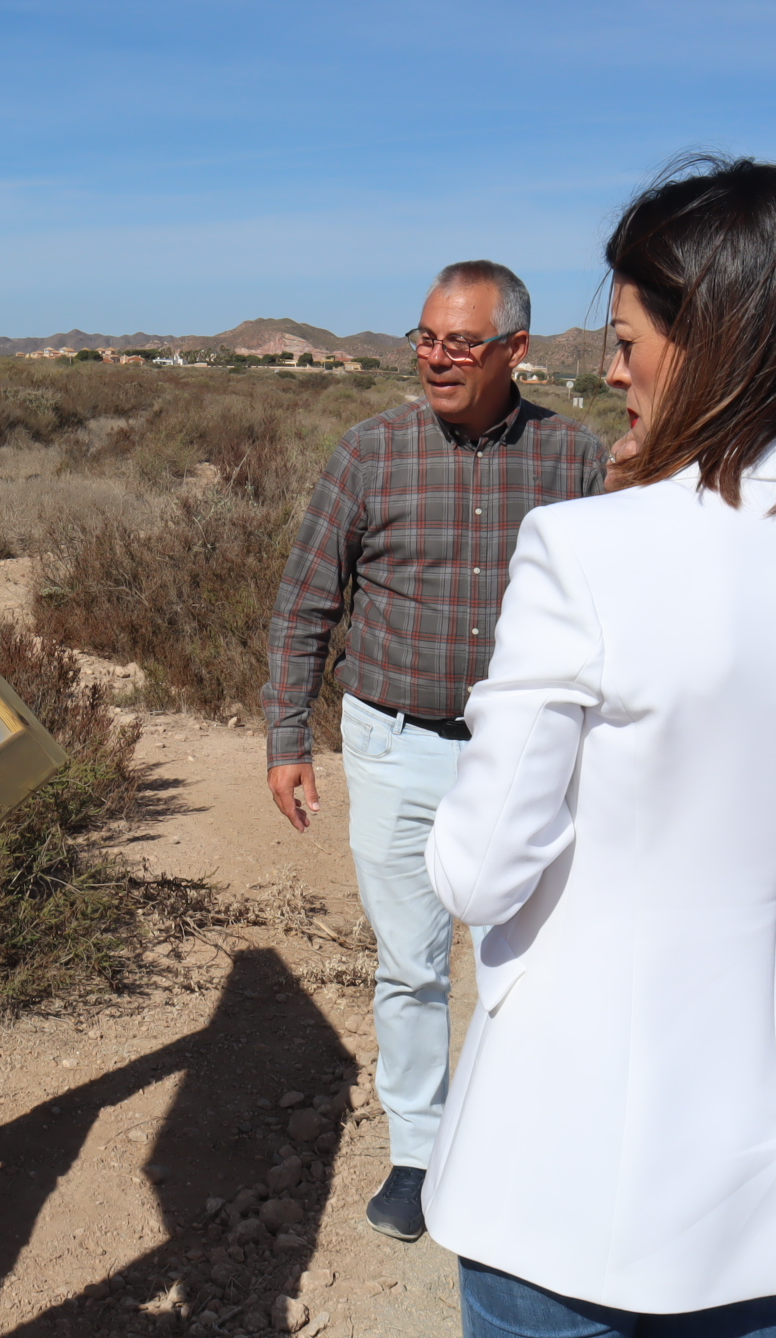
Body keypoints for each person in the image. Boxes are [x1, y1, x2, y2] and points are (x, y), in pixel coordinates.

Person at [422, 157, 776, 1336]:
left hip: (569, 1158)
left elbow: (479, 870)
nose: (611, 369)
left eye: (628, 339)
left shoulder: (590, 549)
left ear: (724, 338)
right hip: (772, 1169)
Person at [264, 261, 607, 1242]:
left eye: (461, 342)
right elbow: (304, 607)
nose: (436, 357)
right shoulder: (368, 454)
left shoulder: (575, 460)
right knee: (411, 964)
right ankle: (420, 1152)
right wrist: (288, 739)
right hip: (394, 745)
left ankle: (524, 1140)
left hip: (532, 757)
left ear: (516, 351)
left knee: (535, 958)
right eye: (425, 338)